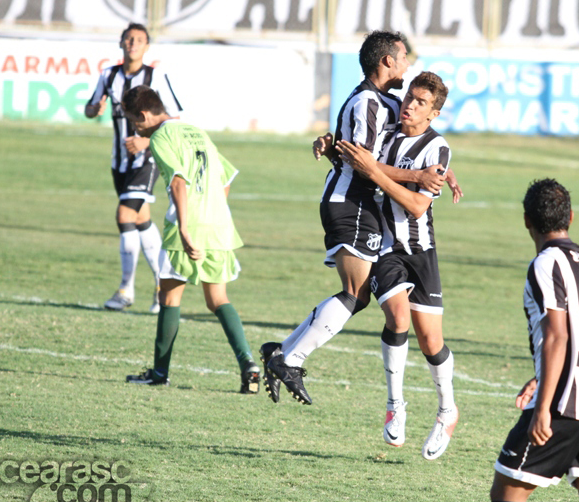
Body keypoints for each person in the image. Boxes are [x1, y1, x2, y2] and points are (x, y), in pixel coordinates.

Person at [259, 31, 461, 405]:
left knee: (361, 295)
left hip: (358, 205)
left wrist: (440, 171)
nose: (407, 65)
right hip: (350, 202)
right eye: (404, 59)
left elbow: (378, 148)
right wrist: (418, 177)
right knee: (355, 293)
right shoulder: (368, 100)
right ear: (387, 61)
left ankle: (282, 351)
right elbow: (364, 164)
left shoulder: (384, 101)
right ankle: (291, 358)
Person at [337, 71, 458, 460]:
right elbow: (361, 158)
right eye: (409, 97)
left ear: (433, 113)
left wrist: (375, 172)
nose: (408, 105)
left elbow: (419, 204)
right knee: (397, 318)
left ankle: (446, 411)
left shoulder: (437, 148)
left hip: (421, 251)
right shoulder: (387, 133)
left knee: (431, 342)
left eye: (420, 102)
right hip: (386, 247)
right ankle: (396, 405)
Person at [490, 179, 579, 502]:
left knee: (507, 492)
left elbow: (557, 336)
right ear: (572, 217)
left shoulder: (546, 263)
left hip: (565, 403)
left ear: (526, 221)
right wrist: (540, 375)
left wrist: (542, 407)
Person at [120, 85, 259, 394]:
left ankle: (159, 373)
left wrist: (185, 227)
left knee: (169, 298)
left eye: (133, 121)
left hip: (188, 226)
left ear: (143, 115)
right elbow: (226, 178)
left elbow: (179, 182)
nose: (133, 128)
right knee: (218, 299)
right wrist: (212, 211)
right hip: (220, 225)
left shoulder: (161, 138)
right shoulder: (196, 131)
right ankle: (248, 364)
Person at [85, 23, 183, 314]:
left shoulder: (156, 76)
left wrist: (144, 141)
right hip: (119, 161)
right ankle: (160, 287)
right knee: (140, 221)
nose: (132, 44)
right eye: (128, 39)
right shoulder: (108, 75)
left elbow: (175, 118)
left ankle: (126, 289)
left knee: (124, 214)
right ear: (121, 43)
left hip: (147, 157)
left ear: (146, 46)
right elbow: (90, 108)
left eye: (139, 40)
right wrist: (94, 110)